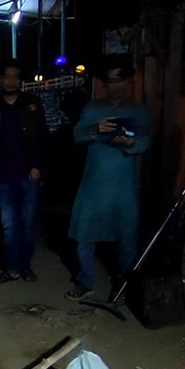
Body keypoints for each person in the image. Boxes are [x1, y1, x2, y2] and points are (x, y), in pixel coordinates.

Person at [67, 58, 150, 300]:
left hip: (124, 185)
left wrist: (132, 143)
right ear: (104, 84)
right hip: (94, 183)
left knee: (127, 238)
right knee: (84, 235)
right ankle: (85, 281)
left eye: (121, 80)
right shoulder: (93, 109)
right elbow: (77, 135)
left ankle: (123, 284)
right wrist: (95, 129)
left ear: (129, 82)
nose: (117, 86)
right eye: (112, 81)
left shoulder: (139, 111)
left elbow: (146, 140)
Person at [0, 59, 46, 284]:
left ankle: (25, 267)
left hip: (28, 174)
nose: (11, 81)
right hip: (3, 176)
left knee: (27, 225)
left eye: (16, 76)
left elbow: (43, 137)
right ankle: (11, 268)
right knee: (8, 226)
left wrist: (37, 166)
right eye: (7, 76)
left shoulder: (32, 104)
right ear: (0, 79)